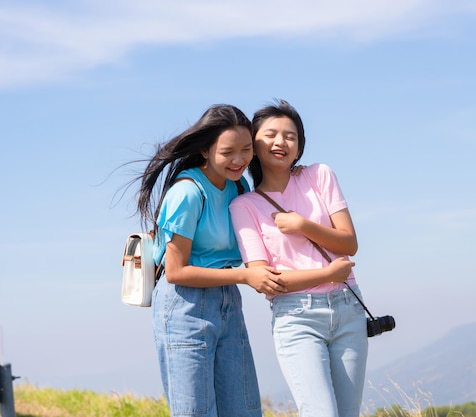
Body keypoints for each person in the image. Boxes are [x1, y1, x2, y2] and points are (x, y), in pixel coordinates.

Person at [132, 104, 288, 417]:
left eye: (246, 150)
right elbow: (175, 272)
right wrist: (245, 277)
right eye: (228, 151)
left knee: (243, 410)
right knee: (196, 412)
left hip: (227, 301)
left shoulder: (239, 187)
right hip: (184, 307)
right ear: (205, 151)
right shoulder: (187, 193)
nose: (239, 160)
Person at [229, 99, 368, 417]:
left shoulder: (319, 176)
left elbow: (349, 242)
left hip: (348, 308)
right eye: (271, 135)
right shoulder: (244, 206)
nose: (281, 142)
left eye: (290, 136)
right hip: (297, 318)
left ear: (300, 145)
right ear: (253, 144)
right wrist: (326, 274)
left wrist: (302, 225)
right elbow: (267, 282)